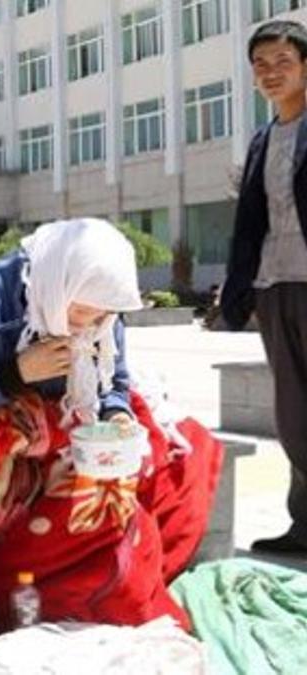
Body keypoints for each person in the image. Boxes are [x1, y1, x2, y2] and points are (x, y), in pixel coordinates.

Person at [220, 20, 307, 555]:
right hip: (275, 288)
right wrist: (239, 290)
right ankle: (304, 526)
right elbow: (251, 223)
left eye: (283, 62)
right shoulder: (262, 139)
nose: (270, 74)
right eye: (260, 65)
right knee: (294, 414)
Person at [0, 218, 143, 429]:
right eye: (80, 311)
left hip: (70, 419)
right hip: (4, 415)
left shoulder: (104, 307)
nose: (85, 326)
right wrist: (17, 373)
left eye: (100, 317)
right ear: (57, 289)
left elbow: (115, 382)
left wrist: (116, 414)